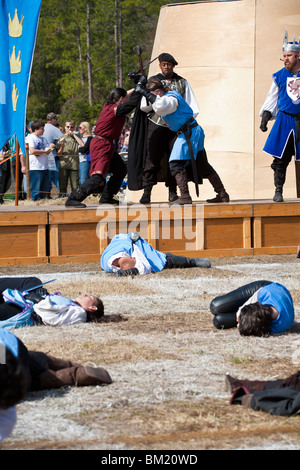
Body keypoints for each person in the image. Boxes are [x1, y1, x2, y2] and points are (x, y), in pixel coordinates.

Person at [0, 328, 112, 441]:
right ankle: (64, 364)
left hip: (10, 371)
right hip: (11, 344)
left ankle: (71, 375)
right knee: (26, 359)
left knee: (22, 379)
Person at [135, 77, 229, 205]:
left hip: (188, 132)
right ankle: (222, 193)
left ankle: (185, 197)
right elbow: (149, 106)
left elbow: (163, 105)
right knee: (202, 165)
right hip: (192, 131)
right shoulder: (165, 97)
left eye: (151, 94)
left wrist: (145, 92)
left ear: (157, 92)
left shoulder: (172, 97)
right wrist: (141, 85)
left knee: (175, 163)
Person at [137, 53, 200, 204]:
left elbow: (192, 106)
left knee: (175, 159)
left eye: (169, 64)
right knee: (151, 158)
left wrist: (184, 122)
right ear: (160, 65)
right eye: (164, 64)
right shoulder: (153, 81)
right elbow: (144, 107)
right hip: (157, 125)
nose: (166, 67)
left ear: (173, 65)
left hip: (176, 128)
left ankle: (173, 192)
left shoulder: (182, 82)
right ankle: (147, 192)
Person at [65, 87, 139, 207]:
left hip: (107, 144)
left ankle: (106, 198)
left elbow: (127, 97)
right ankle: (73, 198)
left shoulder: (108, 105)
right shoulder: (114, 109)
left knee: (120, 170)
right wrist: (139, 91)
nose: (127, 99)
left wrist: (136, 86)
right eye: (125, 98)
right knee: (97, 177)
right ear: (121, 99)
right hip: (101, 145)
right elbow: (131, 104)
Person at [259, 31, 300, 202]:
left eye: (289, 55)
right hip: (285, 120)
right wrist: (266, 115)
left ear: (298, 56)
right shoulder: (279, 76)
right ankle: (278, 191)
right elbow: (272, 96)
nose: (286, 59)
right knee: (281, 158)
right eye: (284, 56)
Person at [0, 276, 124, 328]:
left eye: (90, 297)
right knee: (34, 281)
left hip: (22, 310)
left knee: (33, 282)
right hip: (24, 301)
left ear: (92, 308)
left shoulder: (79, 314)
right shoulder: (73, 306)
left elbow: (52, 319)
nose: (85, 294)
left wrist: (39, 300)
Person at [100, 232, 211, 276]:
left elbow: (122, 237)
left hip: (135, 245)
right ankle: (189, 262)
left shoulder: (123, 244)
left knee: (160, 260)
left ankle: (190, 261)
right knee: (162, 262)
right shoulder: (108, 265)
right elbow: (144, 268)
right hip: (136, 250)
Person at [210, 280, 294, 336]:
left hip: (269, 303)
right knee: (215, 306)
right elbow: (242, 308)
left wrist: (242, 324)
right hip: (264, 288)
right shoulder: (265, 293)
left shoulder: (280, 327)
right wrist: (240, 316)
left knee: (218, 321)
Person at [27, 121, 54, 201]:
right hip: (35, 167)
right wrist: (45, 151)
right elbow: (32, 151)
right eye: (42, 129)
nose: (44, 131)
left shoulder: (43, 138)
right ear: (36, 129)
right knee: (35, 190)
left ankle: (42, 203)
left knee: (44, 190)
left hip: (45, 167)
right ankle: (34, 206)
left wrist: (51, 147)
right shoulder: (30, 138)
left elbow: (47, 150)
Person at [57, 120, 79, 197]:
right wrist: (62, 146)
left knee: (75, 185)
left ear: (74, 128)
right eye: (67, 127)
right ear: (65, 127)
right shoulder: (61, 138)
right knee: (62, 184)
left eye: (71, 127)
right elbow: (58, 154)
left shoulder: (76, 137)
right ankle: (62, 198)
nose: (69, 128)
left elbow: (82, 145)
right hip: (64, 164)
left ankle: (75, 198)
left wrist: (74, 135)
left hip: (74, 165)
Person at [43, 112, 63, 198]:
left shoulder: (43, 127)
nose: (56, 121)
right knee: (56, 176)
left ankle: (47, 194)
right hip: (52, 156)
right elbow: (64, 138)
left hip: (43, 156)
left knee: (48, 176)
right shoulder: (54, 129)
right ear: (53, 119)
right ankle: (62, 193)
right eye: (56, 119)